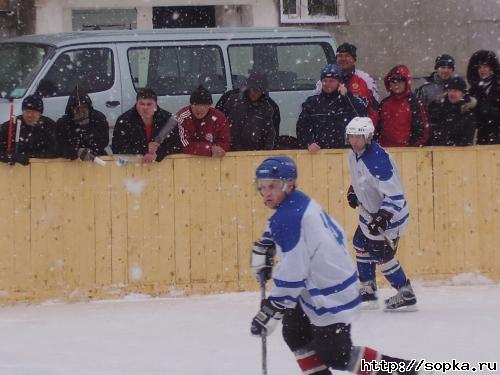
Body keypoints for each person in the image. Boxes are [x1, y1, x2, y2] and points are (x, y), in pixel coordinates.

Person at [250, 156, 427, 375]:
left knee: (337, 355)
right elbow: (282, 233)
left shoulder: (290, 216)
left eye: (272, 186)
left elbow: (293, 271)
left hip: (330, 292)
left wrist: (272, 307)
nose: (266, 192)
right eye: (262, 186)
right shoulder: (296, 202)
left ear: (289, 185)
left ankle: (408, 372)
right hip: (317, 286)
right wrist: (267, 242)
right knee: (295, 332)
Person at [345, 117, 417, 312]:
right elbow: (360, 177)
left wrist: (383, 216)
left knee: (381, 255)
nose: (354, 141)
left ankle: (406, 292)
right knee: (360, 243)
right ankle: (368, 290)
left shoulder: (378, 160)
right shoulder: (354, 154)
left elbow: (395, 194)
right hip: (369, 212)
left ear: (368, 137)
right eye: (351, 136)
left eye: (359, 137)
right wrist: (353, 190)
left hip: (389, 216)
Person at [297, 63, 367, 152]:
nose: (327, 84)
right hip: (319, 155)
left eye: (331, 81)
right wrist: (309, 142)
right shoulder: (312, 102)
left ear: (339, 82)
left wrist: (347, 96)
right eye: (325, 80)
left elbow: (362, 119)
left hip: (346, 154)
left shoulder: (350, 100)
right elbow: (302, 126)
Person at [111, 88, 181, 162]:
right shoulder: (124, 120)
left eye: (149, 104)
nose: (145, 107)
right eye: (142, 104)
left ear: (156, 105)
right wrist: (144, 149)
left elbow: (176, 146)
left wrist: (157, 155)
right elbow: (117, 148)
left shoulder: (168, 120)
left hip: (163, 166)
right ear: (136, 103)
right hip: (132, 167)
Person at [216, 72, 276, 151]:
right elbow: (219, 124)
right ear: (248, 88)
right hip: (230, 151)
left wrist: (265, 152)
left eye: (260, 90)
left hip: (253, 153)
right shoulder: (233, 101)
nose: (256, 93)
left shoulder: (266, 108)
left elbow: (270, 135)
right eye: (254, 89)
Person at [376, 65, 429, 147]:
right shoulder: (384, 103)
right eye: (393, 81)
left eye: (400, 80)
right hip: (386, 151)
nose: (396, 84)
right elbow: (377, 128)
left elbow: (422, 131)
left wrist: (411, 147)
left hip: (407, 153)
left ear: (406, 82)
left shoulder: (414, 103)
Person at [0, 95, 57, 165]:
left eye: (33, 111)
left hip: (44, 171)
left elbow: (57, 150)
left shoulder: (49, 126)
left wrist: (31, 156)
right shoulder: (11, 126)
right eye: (26, 111)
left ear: (40, 113)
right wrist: (10, 157)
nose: (29, 115)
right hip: (15, 173)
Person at [56, 86, 109, 161]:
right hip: (72, 162)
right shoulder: (63, 123)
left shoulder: (98, 118)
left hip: (96, 159)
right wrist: (75, 152)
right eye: (77, 108)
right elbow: (59, 146)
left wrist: (87, 128)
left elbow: (104, 142)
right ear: (71, 108)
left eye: (84, 107)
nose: (81, 111)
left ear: (88, 107)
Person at [177, 85, 231, 157]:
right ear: (191, 105)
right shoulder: (183, 117)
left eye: (204, 105)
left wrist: (218, 149)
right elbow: (184, 144)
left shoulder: (219, 118)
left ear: (210, 105)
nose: (199, 109)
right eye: (195, 105)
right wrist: (209, 149)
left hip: (214, 163)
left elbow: (225, 141)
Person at [335, 42, 380, 125]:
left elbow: (374, 107)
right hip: (336, 130)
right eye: (340, 56)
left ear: (354, 59)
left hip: (359, 131)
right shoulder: (328, 80)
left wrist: (369, 128)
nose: (343, 59)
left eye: (347, 56)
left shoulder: (366, 79)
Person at [426, 76, 476, 146]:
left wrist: (448, 144)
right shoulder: (435, 107)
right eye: (450, 90)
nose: (452, 94)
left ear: (463, 93)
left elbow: (466, 140)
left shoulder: (467, 114)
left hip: (456, 154)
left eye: (456, 91)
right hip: (434, 152)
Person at [466, 50, 500, 144]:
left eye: (485, 67)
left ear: (492, 69)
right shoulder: (473, 90)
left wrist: (478, 105)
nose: (482, 70)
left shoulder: (497, 86)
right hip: (482, 136)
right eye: (479, 67)